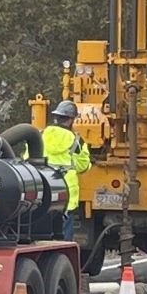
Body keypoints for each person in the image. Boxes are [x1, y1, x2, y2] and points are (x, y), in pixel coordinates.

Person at [42, 100, 91, 240]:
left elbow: (28, 158)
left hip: (43, 195)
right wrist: (71, 164)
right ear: (70, 120)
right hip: (66, 198)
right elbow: (83, 165)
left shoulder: (41, 135)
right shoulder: (76, 141)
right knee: (63, 240)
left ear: (56, 117)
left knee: (42, 236)